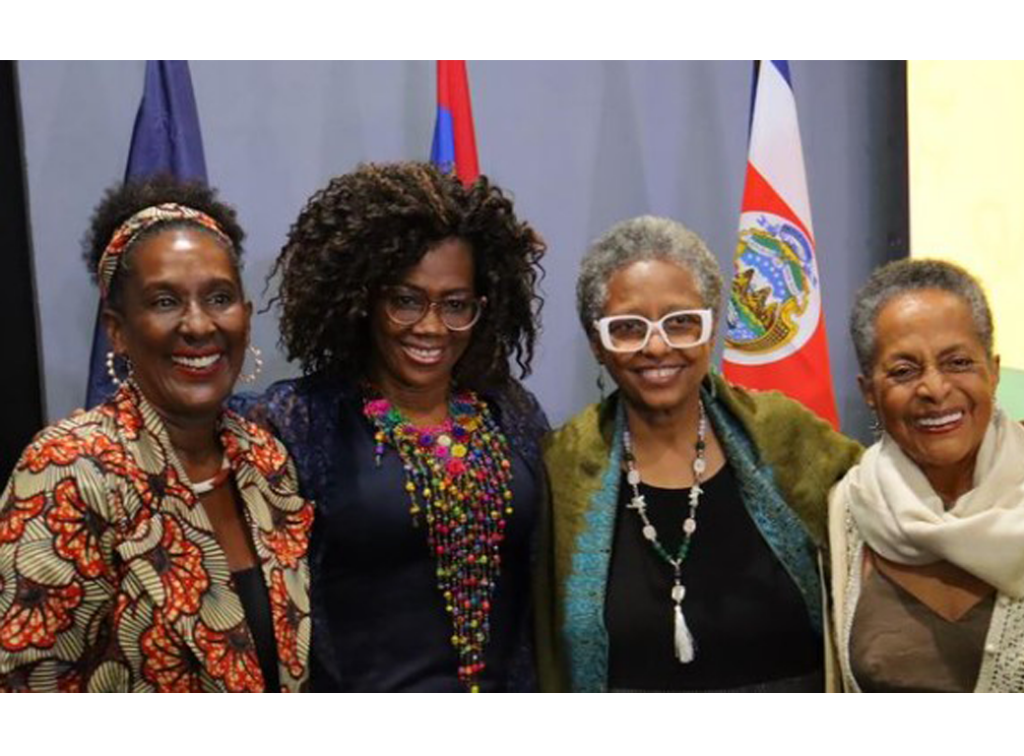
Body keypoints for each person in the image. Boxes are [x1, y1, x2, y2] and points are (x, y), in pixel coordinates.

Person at [234, 162, 548, 693]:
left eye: (455, 305)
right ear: (364, 299)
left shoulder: (510, 413)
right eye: (406, 300)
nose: (430, 326)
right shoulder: (299, 422)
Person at [0, 177, 313, 694]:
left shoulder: (265, 460)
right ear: (117, 329)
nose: (198, 324)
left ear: (246, 318)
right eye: (165, 301)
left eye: (219, 297)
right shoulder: (70, 471)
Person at [538, 215, 862, 694]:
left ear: (711, 331)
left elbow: (890, 507)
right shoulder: (558, 467)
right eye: (627, 327)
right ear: (597, 345)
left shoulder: (787, 437)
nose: (656, 346)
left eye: (681, 323)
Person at [830, 258, 1024, 693]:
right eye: (904, 371)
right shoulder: (848, 509)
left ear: (992, 372)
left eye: (957, 362)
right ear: (869, 393)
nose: (934, 389)